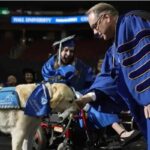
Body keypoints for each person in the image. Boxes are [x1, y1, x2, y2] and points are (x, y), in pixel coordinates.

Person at [75, 2, 150, 149]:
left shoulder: (131, 22)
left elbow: (146, 58)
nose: (95, 33)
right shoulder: (114, 50)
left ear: (106, 18)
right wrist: (88, 97)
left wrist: (149, 97)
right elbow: (111, 78)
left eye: (95, 26)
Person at [41, 35, 138, 145]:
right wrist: (63, 76)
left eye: (71, 51)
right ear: (59, 51)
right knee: (89, 103)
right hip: (61, 99)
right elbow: (49, 83)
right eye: (65, 50)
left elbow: (91, 79)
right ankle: (121, 132)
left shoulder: (79, 64)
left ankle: (116, 133)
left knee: (98, 97)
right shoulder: (50, 65)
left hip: (80, 94)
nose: (68, 54)